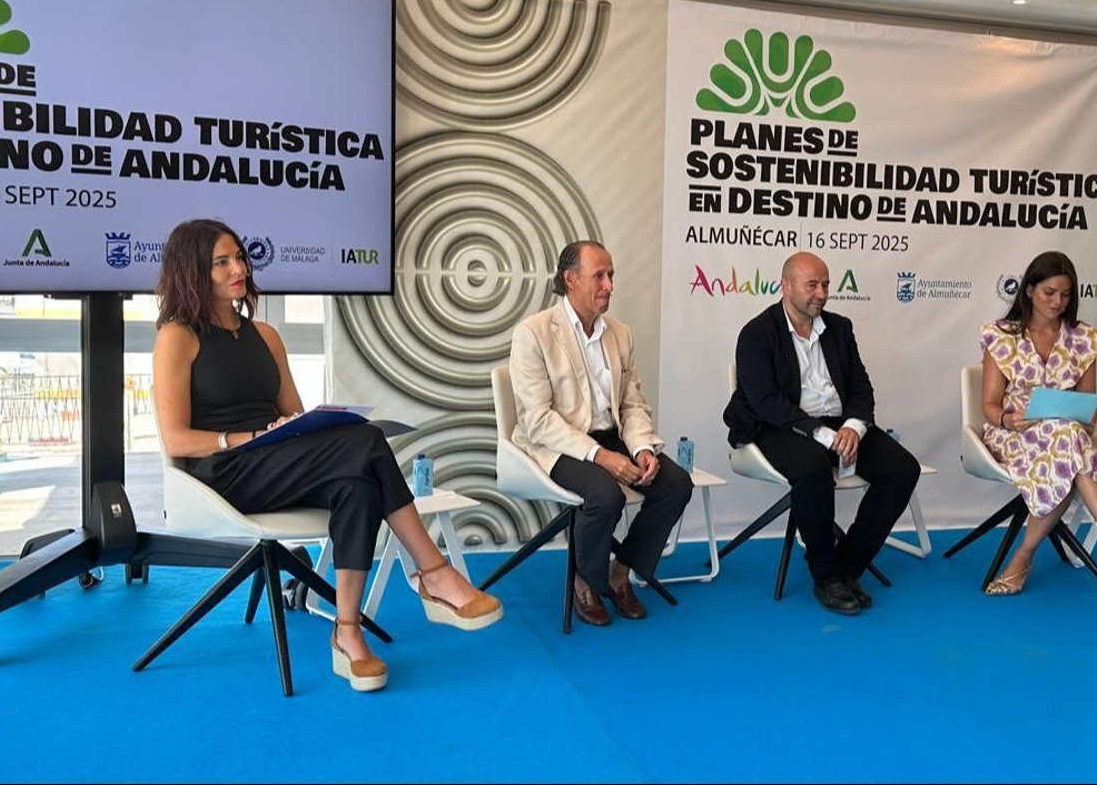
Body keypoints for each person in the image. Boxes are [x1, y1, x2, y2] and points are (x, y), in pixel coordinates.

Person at [151, 218, 500, 692]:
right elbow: (175, 439)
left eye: (239, 256)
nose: (239, 268)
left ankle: (348, 634)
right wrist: (244, 437)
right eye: (221, 262)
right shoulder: (178, 336)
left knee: (355, 483)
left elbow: (293, 414)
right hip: (223, 471)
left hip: (275, 461)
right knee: (368, 445)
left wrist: (299, 426)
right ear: (193, 271)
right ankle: (434, 574)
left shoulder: (266, 336)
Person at [507, 240, 695, 626]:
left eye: (611, 276)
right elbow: (537, 419)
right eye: (600, 276)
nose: (610, 285)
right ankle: (584, 580)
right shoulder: (534, 332)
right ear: (570, 279)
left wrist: (642, 447)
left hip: (612, 436)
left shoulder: (619, 333)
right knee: (604, 494)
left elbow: (632, 403)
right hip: (555, 444)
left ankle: (621, 571)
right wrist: (600, 456)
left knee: (675, 483)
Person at [724, 252, 919, 615]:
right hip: (778, 426)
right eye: (811, 285)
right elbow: (766, 402)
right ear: (785, 286)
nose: (821, 293)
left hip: (838, 423)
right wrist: (823, 435)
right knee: (813, 468)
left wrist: (853, 427)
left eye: (826, 284)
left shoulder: (840, 328)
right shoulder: (756, 333)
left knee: (902, 468)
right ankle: (825, 576)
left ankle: (846, 567)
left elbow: (861, 388)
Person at [978, 250, 1097, 595]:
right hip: (1014, 434)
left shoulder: (1084, 338)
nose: (1058, 301)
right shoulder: (1000, 335)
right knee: (1071, 448)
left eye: (1065, 294)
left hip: (1066, 436)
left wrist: (1083, 420)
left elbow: (1087, 406)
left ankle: (1023, 558)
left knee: (1067, 440)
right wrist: (1009, 419)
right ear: (1030, 290)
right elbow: (989, 406)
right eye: (1049, 292)